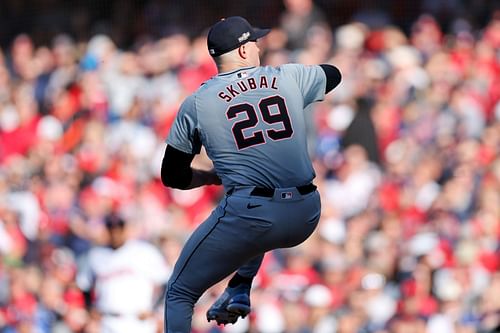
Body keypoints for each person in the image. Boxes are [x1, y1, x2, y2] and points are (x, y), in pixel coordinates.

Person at [161, 16, 341, 333]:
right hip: (306, 213)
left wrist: (208, 176)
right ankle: (241, 285)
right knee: (256, 204)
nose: (259, 46)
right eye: (254, 41)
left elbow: (172, 176)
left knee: (179, 292)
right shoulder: (288, 76)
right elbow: (333, 74)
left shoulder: (198, 103)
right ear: (243, 51)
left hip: (254, 215)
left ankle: (241, 284)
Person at [76, 213, 169, 333]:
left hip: (138, 321)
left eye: (119, 229)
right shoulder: (96, 255)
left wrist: (155, 309)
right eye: (111, 229)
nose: (115, 233)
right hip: (107, 321)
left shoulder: (144, 251)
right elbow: (84, 285)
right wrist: (90, 308)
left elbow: (166, 282)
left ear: (125, 229)